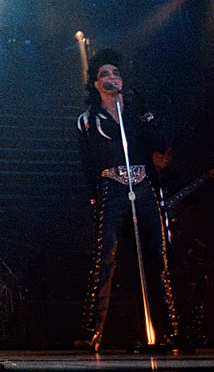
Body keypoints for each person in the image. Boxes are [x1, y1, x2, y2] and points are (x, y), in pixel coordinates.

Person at [74, 48, 178, 351]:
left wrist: (145, 113)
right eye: (104, 74)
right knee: (104, 257)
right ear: (96, 83)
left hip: (144, 187)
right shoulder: (88, 120)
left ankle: (167, 331)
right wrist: (93, 197)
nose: (111, 78)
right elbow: (87, 162)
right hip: (112, 187)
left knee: (156, 256)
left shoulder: (135, 114)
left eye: (116, 74)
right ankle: (92, 332)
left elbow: (161, 145)